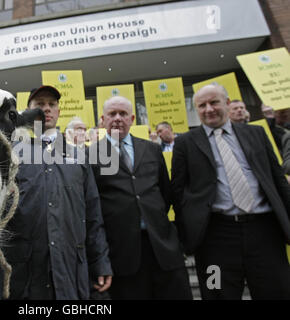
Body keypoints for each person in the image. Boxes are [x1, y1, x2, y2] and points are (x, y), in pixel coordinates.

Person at [171, 83, 290, 300]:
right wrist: (187, 234)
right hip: (214, 238)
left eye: (214, 102)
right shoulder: (185, 143)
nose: (208, 109)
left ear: (226, 103)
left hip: (265, 233)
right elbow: (178, 192)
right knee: (216, 293)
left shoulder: (256, 133)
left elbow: (278, 180)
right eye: (202, 105)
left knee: (277, 291)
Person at [0, 85, 113, 300]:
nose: (46, 109)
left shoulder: (79, 156)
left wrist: (101, 262)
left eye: (52, 104)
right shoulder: (11, 155)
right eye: (39, 104)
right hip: (25, 273)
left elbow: (93, 214)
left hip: (70, 269)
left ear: (59, 111)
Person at [90, 96, 192, 300]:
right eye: (112, 114)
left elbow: (166, 193)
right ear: (102, 119)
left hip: (163, 246)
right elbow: (93, 204)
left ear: (132, 118)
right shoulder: (90, 154)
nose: (117, 118)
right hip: (122, 251)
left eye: (123, 114)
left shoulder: (152, 149)